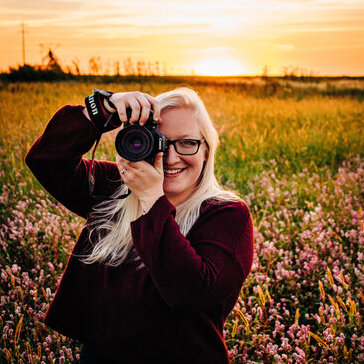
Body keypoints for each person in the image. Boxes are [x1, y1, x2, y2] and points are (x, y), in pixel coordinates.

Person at [25, 87, 254, 364]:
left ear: (206, 150)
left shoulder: (226, 214)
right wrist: (104, 109)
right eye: (158, 142)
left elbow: (191, 293)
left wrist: (151, 198)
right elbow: (47, 160)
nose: (170, 158)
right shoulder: (117, 188)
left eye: (187, 143)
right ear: (136, 141)